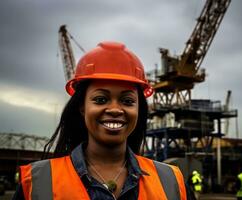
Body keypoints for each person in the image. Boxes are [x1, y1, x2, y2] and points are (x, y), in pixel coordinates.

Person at [12, 41, 191, 199]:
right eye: (100, 99)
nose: (114, 109)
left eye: (127, 101)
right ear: (82, 107)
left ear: (139, 110)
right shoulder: (36, 183)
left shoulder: (172, 183)